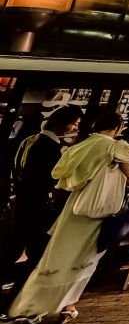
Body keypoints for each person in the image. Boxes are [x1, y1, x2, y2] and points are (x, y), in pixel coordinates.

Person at [5, 111, 129, 324]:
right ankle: (67, 305)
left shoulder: (79, 147)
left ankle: (31, 305)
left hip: (73, 208)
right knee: (85, 260)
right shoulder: (117, 147)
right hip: (96, 211)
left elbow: (59, 174)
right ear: (118, 127)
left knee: (57, 256)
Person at [3, 106, 84, 294]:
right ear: (62, 123)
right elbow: (48, 180)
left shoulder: (28, 141)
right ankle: (18, 295)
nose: (75, 128)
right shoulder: (50, 148)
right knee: (36, 251)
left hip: (21, 203)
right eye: (74, 124)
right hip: (38, 207)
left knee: (13, 248)